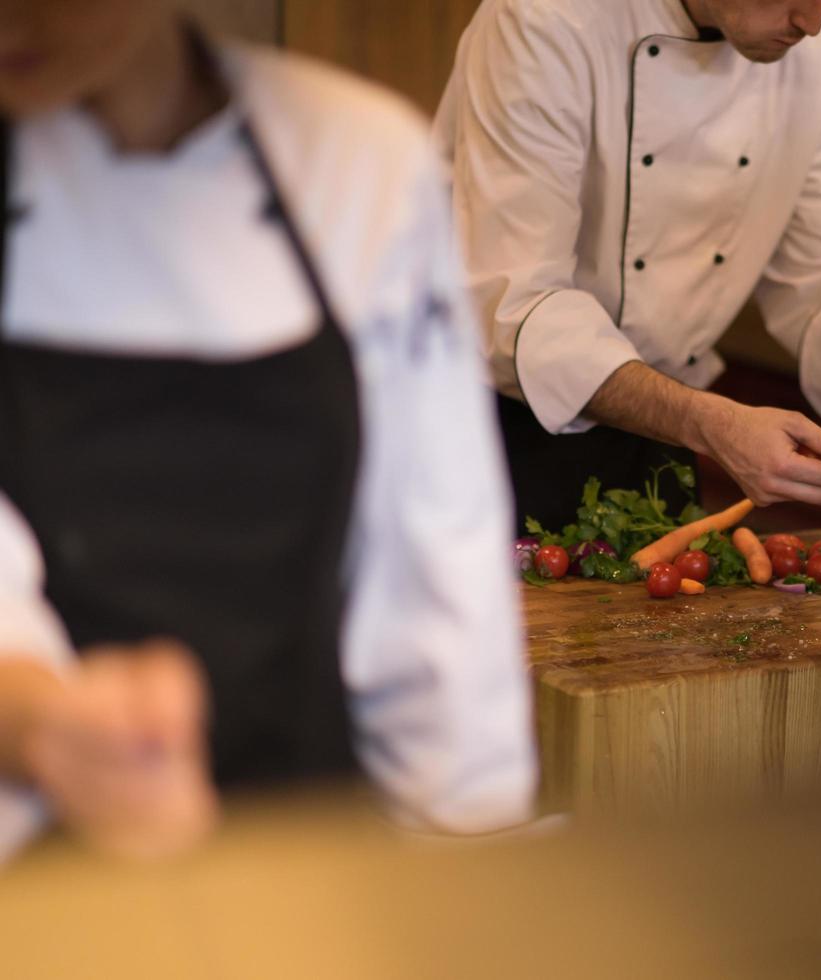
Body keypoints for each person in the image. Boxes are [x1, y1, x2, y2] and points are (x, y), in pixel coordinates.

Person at [0, 0, 536, 860]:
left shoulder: (356, 160)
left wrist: (461, 863)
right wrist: (39, 721)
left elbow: (434, 566)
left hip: (315, 851)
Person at [434, 0, 821, 529]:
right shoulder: (545, 23)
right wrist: (709, 422)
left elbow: (820, 276)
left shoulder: (818, 57)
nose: (812, 23)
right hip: (491, 434)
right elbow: (516, 302)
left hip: (664, 432)